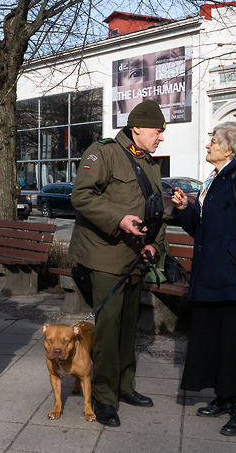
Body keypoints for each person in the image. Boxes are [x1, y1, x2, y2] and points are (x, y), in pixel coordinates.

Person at [67, 100, 167, 427]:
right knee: (108, 331)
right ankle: (104, 397)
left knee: (127, 329)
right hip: (105, 255)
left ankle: (125, 386)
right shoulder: (104, 152)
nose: (161, 137)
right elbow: (82, 195)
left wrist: (155, 244)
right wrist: (119, 218)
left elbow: (154, 210)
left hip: (135, 258)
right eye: (157, 130)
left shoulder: (149, 162)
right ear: (137, 128)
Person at [171, 121, 236, 436]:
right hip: (210, 277)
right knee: (215, 340)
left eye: (213, 141)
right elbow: (203, 231)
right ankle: (226, 397)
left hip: (234, 279)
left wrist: (232, 256)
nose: (207, 145)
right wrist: (183, 210)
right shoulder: (214, 179)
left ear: (229, 147)